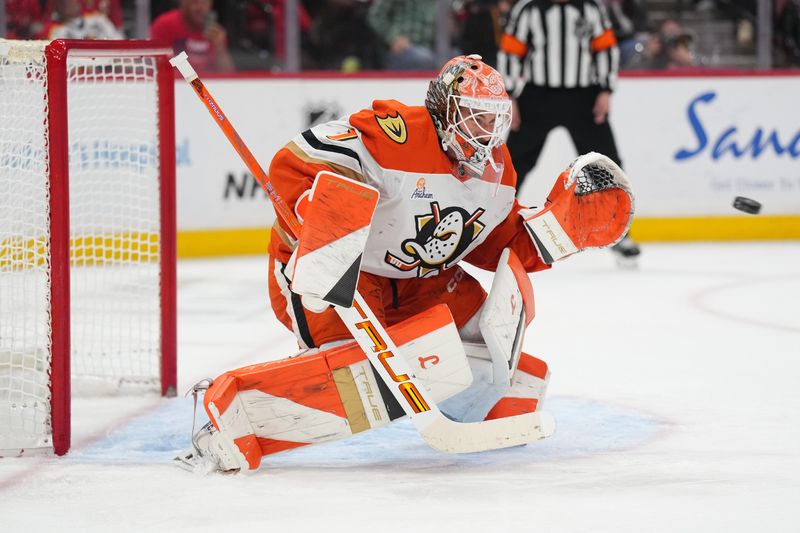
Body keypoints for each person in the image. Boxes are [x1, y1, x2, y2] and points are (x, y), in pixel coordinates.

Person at [176, 55, 633, 473]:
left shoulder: (499, 169)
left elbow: (493, 242)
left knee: (481, 337)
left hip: (423, 282)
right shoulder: (396, 134)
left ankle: (482, 396)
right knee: (351, 365)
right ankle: (242, 413)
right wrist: (325, 210)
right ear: (445, 112)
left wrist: (554, 232)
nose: (487, 133)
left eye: (495, 119)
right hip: (345, 276)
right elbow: (294, 162)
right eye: (476, 117)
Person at [498, 0, 641, 260]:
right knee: (514, 162)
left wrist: (606, 90)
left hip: (584, 96)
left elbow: (606, 49)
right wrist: (510, 96)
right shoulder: (528, 9)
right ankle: (494, 224)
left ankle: (619, 231)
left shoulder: (591, 8)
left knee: (606, 164)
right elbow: (510, 51)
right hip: (538, 96)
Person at [150, 0, 235, 73]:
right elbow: (155, 67)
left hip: (205, 85)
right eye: (195, 2)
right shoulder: (165, 25)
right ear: (183, 2)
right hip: (177, 84)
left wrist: (220, 48)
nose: (200, 8)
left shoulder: (215, 32)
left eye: (204, 2)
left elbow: (227, 74)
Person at [366, 0, 440, 70]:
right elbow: (375, 15)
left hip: (436, 47)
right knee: (426, 59)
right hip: (407, 48)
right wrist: (393, 38)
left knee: (449, 60)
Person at [37, 0, 122, 40]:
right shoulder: (53, 30)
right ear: (55, 5)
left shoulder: (98, 19)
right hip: (75, 72)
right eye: (61, 1)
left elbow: (119, 42)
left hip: (108, 68)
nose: (68, 2)